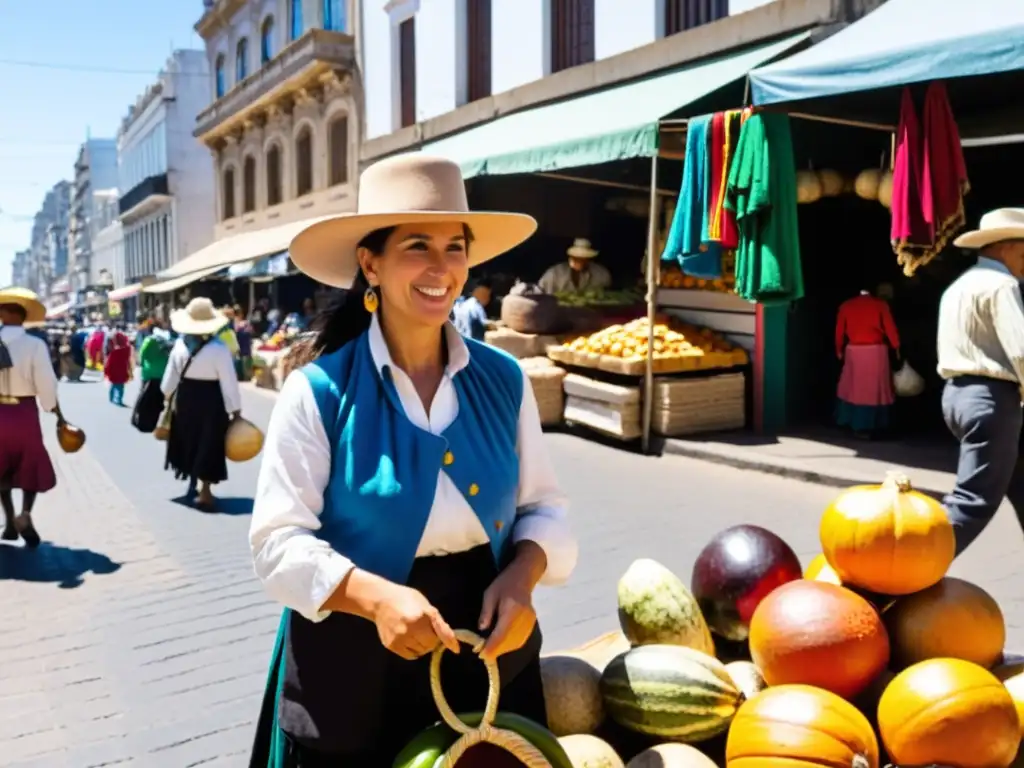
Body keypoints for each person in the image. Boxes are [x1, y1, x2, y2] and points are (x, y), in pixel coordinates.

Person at [247, 155, 577, 767]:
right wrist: (373, 599)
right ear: (370, 263)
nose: (440, 268)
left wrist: (522, 576)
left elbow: (542, 507)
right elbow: (276, 543)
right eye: (416, 246)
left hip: (486, 651)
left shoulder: (504, 380)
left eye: (455, 247)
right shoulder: (317, 391)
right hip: (351, 658)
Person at [938, 208, 1024, 554]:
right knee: (973, 501)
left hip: (958, 395)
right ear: (1003, 247)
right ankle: (905, 574)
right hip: (992, 398)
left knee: (1018, 483)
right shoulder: (1002, 286)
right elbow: (1021, 350)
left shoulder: (960, 286)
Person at [161, 298, 242, 512]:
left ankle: (192, 482)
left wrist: (168, 397)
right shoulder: (219, 349)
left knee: (189, 439)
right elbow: (229, 382)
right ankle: (205, 490)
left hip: (186, 398)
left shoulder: (179, 346)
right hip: (211, 401)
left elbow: (169, 381)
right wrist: (235, 409)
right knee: (209, 442)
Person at [0, 288, 67, 547]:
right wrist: (53, 408)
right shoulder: (35, 345)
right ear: (24, 317)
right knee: (30, 463)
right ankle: (25, 514)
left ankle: (7, 521)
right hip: (24, 412)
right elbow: (47, 384)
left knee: (1, 467)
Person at [834, 285, 901, 438]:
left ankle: (851, 422)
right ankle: (876, 425)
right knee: (876, 390)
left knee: (853, 388)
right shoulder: (880, 305)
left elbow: (839, 331)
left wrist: (838, 349)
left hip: (853, 351)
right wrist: (897, 347)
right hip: (876, 352)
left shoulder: (846, 305)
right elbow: (890, 329)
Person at [133, 320, 174, 433]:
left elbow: (143, 355)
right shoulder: (169, 342)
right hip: (163, 374)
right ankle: (158, 423)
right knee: (160, 401)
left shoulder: (149, 340)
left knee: (145, 399)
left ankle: (144, 421)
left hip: (149, 374)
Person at [538, 237, 612, 294]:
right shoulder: (554, 274)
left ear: (589, 259)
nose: (579, 261)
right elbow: (540, 292)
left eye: (583, 258)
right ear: (570, 257)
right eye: (576, 258)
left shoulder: (601, 274)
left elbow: (606, 295)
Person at [103, 329, 132, 406]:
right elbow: (128, 361)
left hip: (113, 371)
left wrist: (106, 371)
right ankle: (119, 399)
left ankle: (111, 397)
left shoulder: (114, 351)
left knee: (113, 384)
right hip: (122, 371)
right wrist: (130, 370)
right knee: (120, 386)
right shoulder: (126, 350)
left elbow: (109, 363)